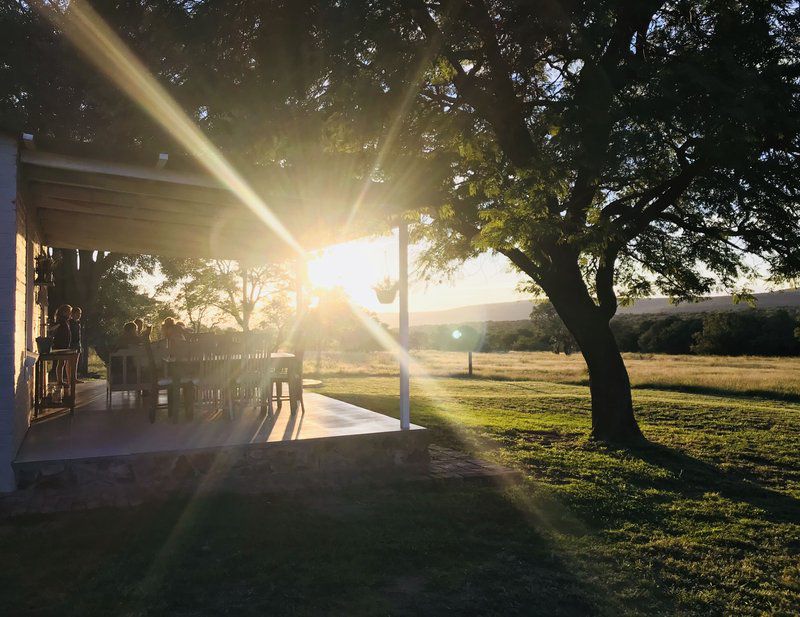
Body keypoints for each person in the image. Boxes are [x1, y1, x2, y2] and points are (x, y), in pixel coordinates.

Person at [51, 304, 72, 386]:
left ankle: (60, 380)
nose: (70, 314)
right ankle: (59, 380)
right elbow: (54, 329)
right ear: (64, 312)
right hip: (60, 344)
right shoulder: (61, 321)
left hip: (65, 344)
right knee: (61, 363)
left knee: (62, 363)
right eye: (69, 312)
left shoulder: (66, 321)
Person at [69, 306, 84, 384]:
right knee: (70, 362)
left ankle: (74, 378)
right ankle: (70, 379)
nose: (79, 315)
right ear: (73, 314)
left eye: (80, 313)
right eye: (77, 313)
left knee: (75, 362)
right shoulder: (70, 322)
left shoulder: (78, 323)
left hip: (77, 343)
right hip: (72, 344)